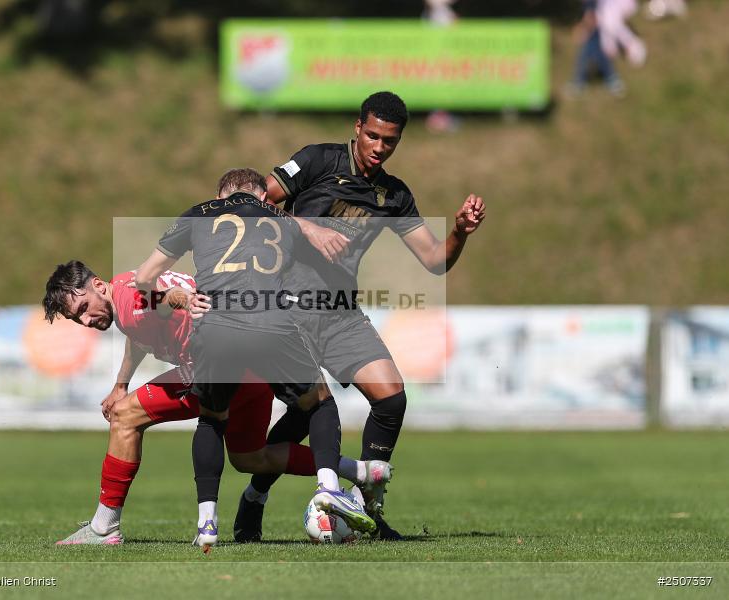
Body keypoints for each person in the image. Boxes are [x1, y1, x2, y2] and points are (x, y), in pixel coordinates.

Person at [229, 91, 485, 542]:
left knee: (391, 398)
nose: (379, 147)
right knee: (314, 409)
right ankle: (256, 495)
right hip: (285, 305)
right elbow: (250, 204)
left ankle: (367, 509)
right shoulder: (316, 161)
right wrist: (305, 226)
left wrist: (459, 233)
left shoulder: (394, 194)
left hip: (341, 312)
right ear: (357, 127)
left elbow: (434, 259)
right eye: (372, 135)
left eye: (389, 140)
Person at [42, 261, 389, 545]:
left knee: (124, 416)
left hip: (215, 368)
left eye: (84, 308)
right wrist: (121, 383)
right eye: (77, 318)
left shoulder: (131, 301)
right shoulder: (125, 286)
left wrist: (182, 299)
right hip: (252, 367)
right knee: (249, 457)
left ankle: (104, 527)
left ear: (98, 286)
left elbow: (161, 301)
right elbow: (141, 330)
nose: (86, 320)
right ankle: (361, 471)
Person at [134, 168, 377, 549]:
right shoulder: (282, 219)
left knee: (212, 421)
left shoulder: (197, 213)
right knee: (319, 402)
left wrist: (172, 300)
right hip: (272, 325)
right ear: (264, 195)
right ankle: (329, 487)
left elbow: (145, 277)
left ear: (221, 193)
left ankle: (206, 525)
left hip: (215, 328)